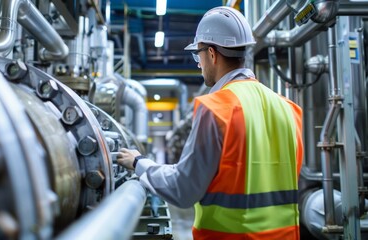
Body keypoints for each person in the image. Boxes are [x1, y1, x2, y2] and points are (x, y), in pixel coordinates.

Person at [117, 6, 303, 240]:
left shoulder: (216, 108)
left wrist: (139, 163)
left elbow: (183, 190)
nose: (198, 63)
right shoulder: (289, 108)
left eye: (198, 55)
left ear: (212, 54)